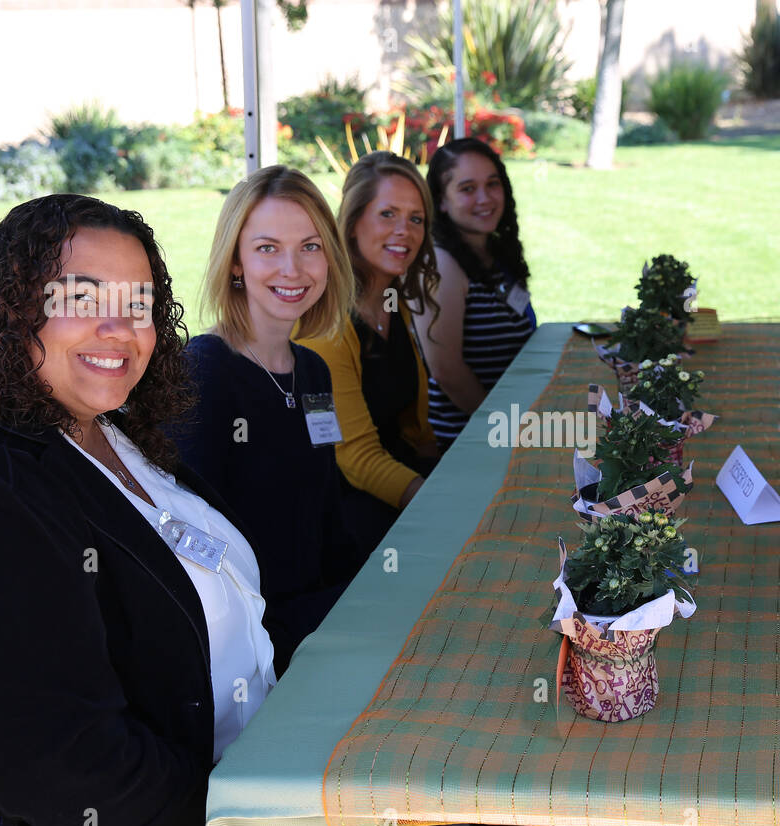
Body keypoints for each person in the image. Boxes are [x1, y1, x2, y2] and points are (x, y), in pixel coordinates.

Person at [0, 194, 276, 826]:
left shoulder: (116, 435)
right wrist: (242, 825)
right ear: (10, 311)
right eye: (80, 298)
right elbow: (56, 766)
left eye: (139, 303)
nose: (119, 328)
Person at [174, 165, 363, 678]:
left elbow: (328, 501)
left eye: (310, 246)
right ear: (235, 261)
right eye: (267, 248)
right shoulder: (204, 371)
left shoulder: (313, 370)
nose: (293, 269)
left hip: (325, 615)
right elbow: (192, 548)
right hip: (251, 645)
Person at [298, 152, 441, 556]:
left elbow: (415, 430)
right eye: (388, 214)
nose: (405, 231)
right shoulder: (326, 321)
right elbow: (354, 457)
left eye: (416, 219)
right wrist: (440, 504)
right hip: (345, 511)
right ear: (354, 220)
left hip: (400, 483)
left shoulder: (392, 300)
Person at [418, 137, 536, 451]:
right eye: (467, 189)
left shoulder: (494, 254)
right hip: (470, 442)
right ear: (441, 201)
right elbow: (446, 372)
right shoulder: (441, 265)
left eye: (492, 184)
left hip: (514, 425)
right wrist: (508, 431)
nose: (484, 198)